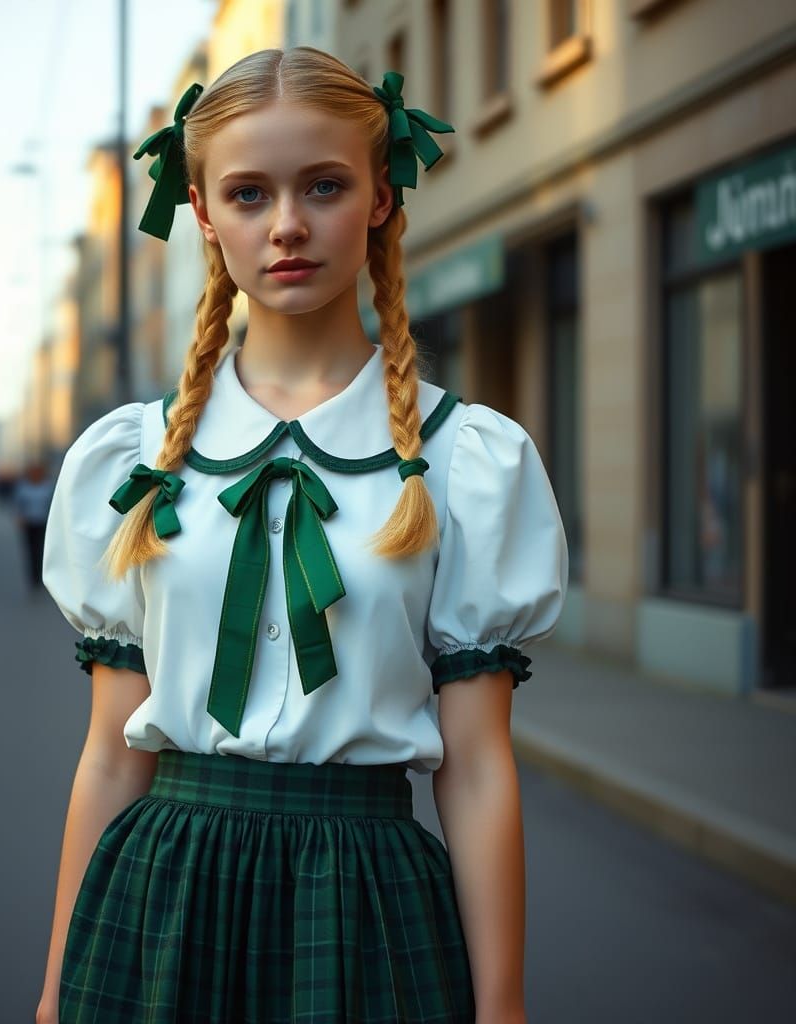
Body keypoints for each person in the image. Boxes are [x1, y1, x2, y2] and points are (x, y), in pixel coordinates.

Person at [38, 46, 568, 1024]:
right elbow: (112, 753)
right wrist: (54, 990)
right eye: (247, 193)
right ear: (201, 212)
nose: (286, 226)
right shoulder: (134, 456)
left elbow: (480, 765)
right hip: (162, 895)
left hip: (365, 899)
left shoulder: (463, 461)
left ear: (376, 196)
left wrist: (502, 1008)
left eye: (323, 185)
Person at [13, 461, 54, 590]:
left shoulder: (47, 486)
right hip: (29, 523)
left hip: (44, 523)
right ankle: (33, 579)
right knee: (31, 551)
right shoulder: (23, 487)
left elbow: (53, 504)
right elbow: (17, 504)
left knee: (42, 550)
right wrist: (19, 517)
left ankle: (43, 576)